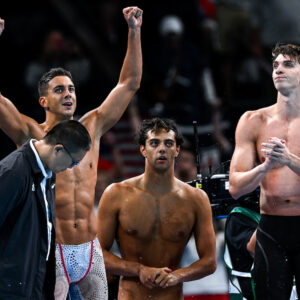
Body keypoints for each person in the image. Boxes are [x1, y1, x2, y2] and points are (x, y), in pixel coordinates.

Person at [0, 6, 142, 300]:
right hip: (54, 251)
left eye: (72, 89)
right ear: (43, 100)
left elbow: (129, 84)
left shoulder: (93, 126)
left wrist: (134, 31)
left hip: (90, 250)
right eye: (59, 90)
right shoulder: (31, 133)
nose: (68, 94)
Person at [97, 117, 217, 300]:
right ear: (143, 149)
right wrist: (139, 269)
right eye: (154, 143)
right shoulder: (116, 194)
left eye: (168, 143)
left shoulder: (196, 199)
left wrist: (177, 276)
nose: (162, 148)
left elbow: (209, 261)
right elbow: (97, 254)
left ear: (177, 150)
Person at [229, 43, 300, 300]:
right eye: (275, 65)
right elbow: (236, 187)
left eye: (288, 64)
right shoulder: (253, 121)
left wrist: (290, 161)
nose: (279, 70)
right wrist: (265, 167)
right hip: (272, 227)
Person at [0, 120, 91, 299]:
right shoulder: (13, 172)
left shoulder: (47, 175)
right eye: (73, 162)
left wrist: (53, 275)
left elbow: (43, 235)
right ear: (57, 150)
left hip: (33, 285)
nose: (71, 169)